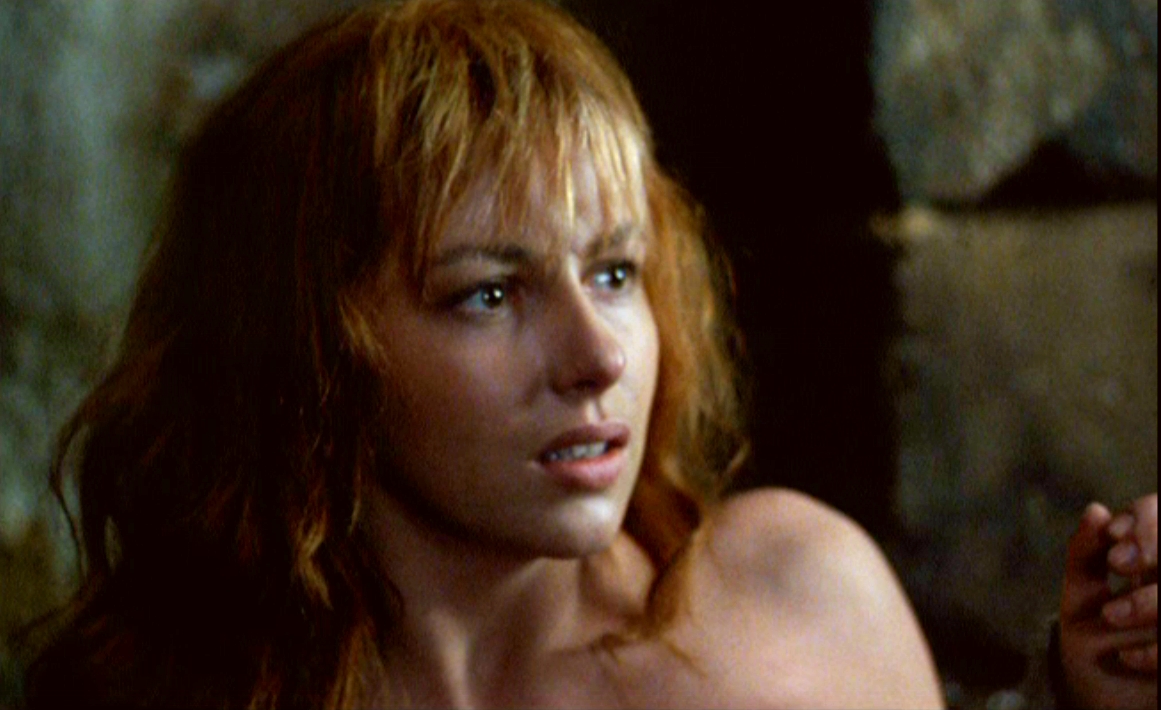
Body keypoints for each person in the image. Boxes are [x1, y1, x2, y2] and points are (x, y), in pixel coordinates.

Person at [22, 1, 1157, 708]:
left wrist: (1085, 696)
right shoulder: (160, 688)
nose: (595, 356)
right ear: (312, 350)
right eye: (490, 292)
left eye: (615, 273)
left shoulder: (793, 603)